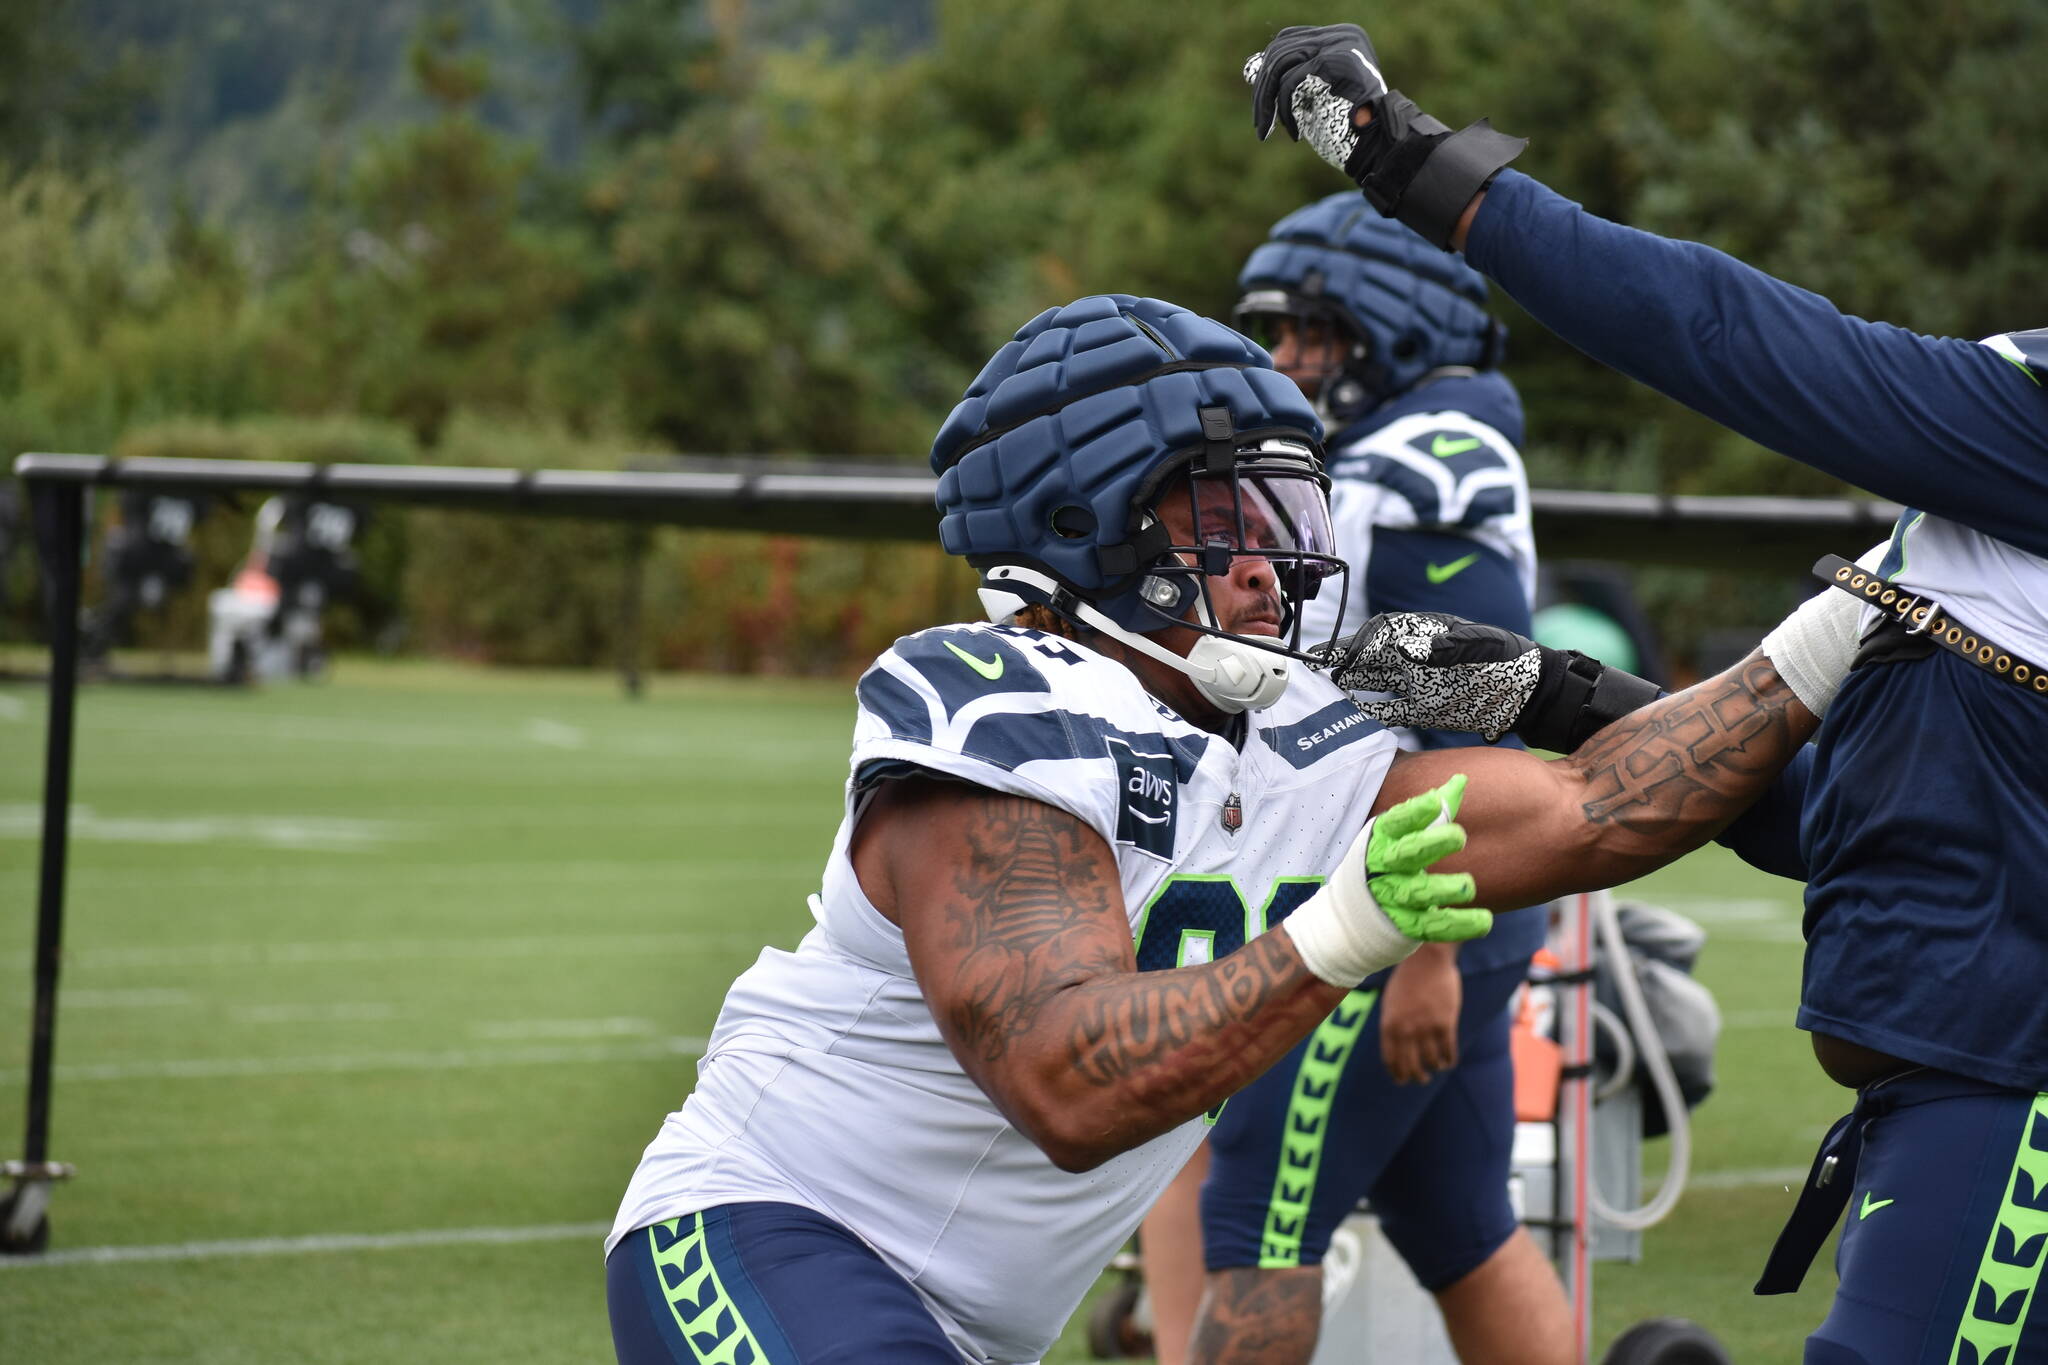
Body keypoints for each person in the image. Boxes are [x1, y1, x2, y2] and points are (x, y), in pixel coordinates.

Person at [603, 293, 1855, 1365]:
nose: (1271, 566)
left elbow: (1599, 812)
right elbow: (1065, 1077)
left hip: (982, 1320)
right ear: (1080, 520)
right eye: (1225, 518)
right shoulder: (996, 706)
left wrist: (1837, 625)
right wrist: (1340, 934)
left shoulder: (1312, 723)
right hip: (765, 1226)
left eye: (1283, 520)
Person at [1244, 24, 2048, 1362]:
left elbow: (1732, 335)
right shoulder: (1991, 513)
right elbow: (1856, 825)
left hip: (2012, 1085)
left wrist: (1419, 167)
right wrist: (1552, 695)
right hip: (1969, 1079)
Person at [1133, 197, 1571, 1365]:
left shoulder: (1429, 458)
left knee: (1253, 1219)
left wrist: (1420, 945)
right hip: (1411, 894)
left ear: (1391, 327)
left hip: (1413, 898)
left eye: (1308, 334)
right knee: (1460, 1225)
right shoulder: (1376, 453)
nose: (1282, 362)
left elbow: (1467, 709)